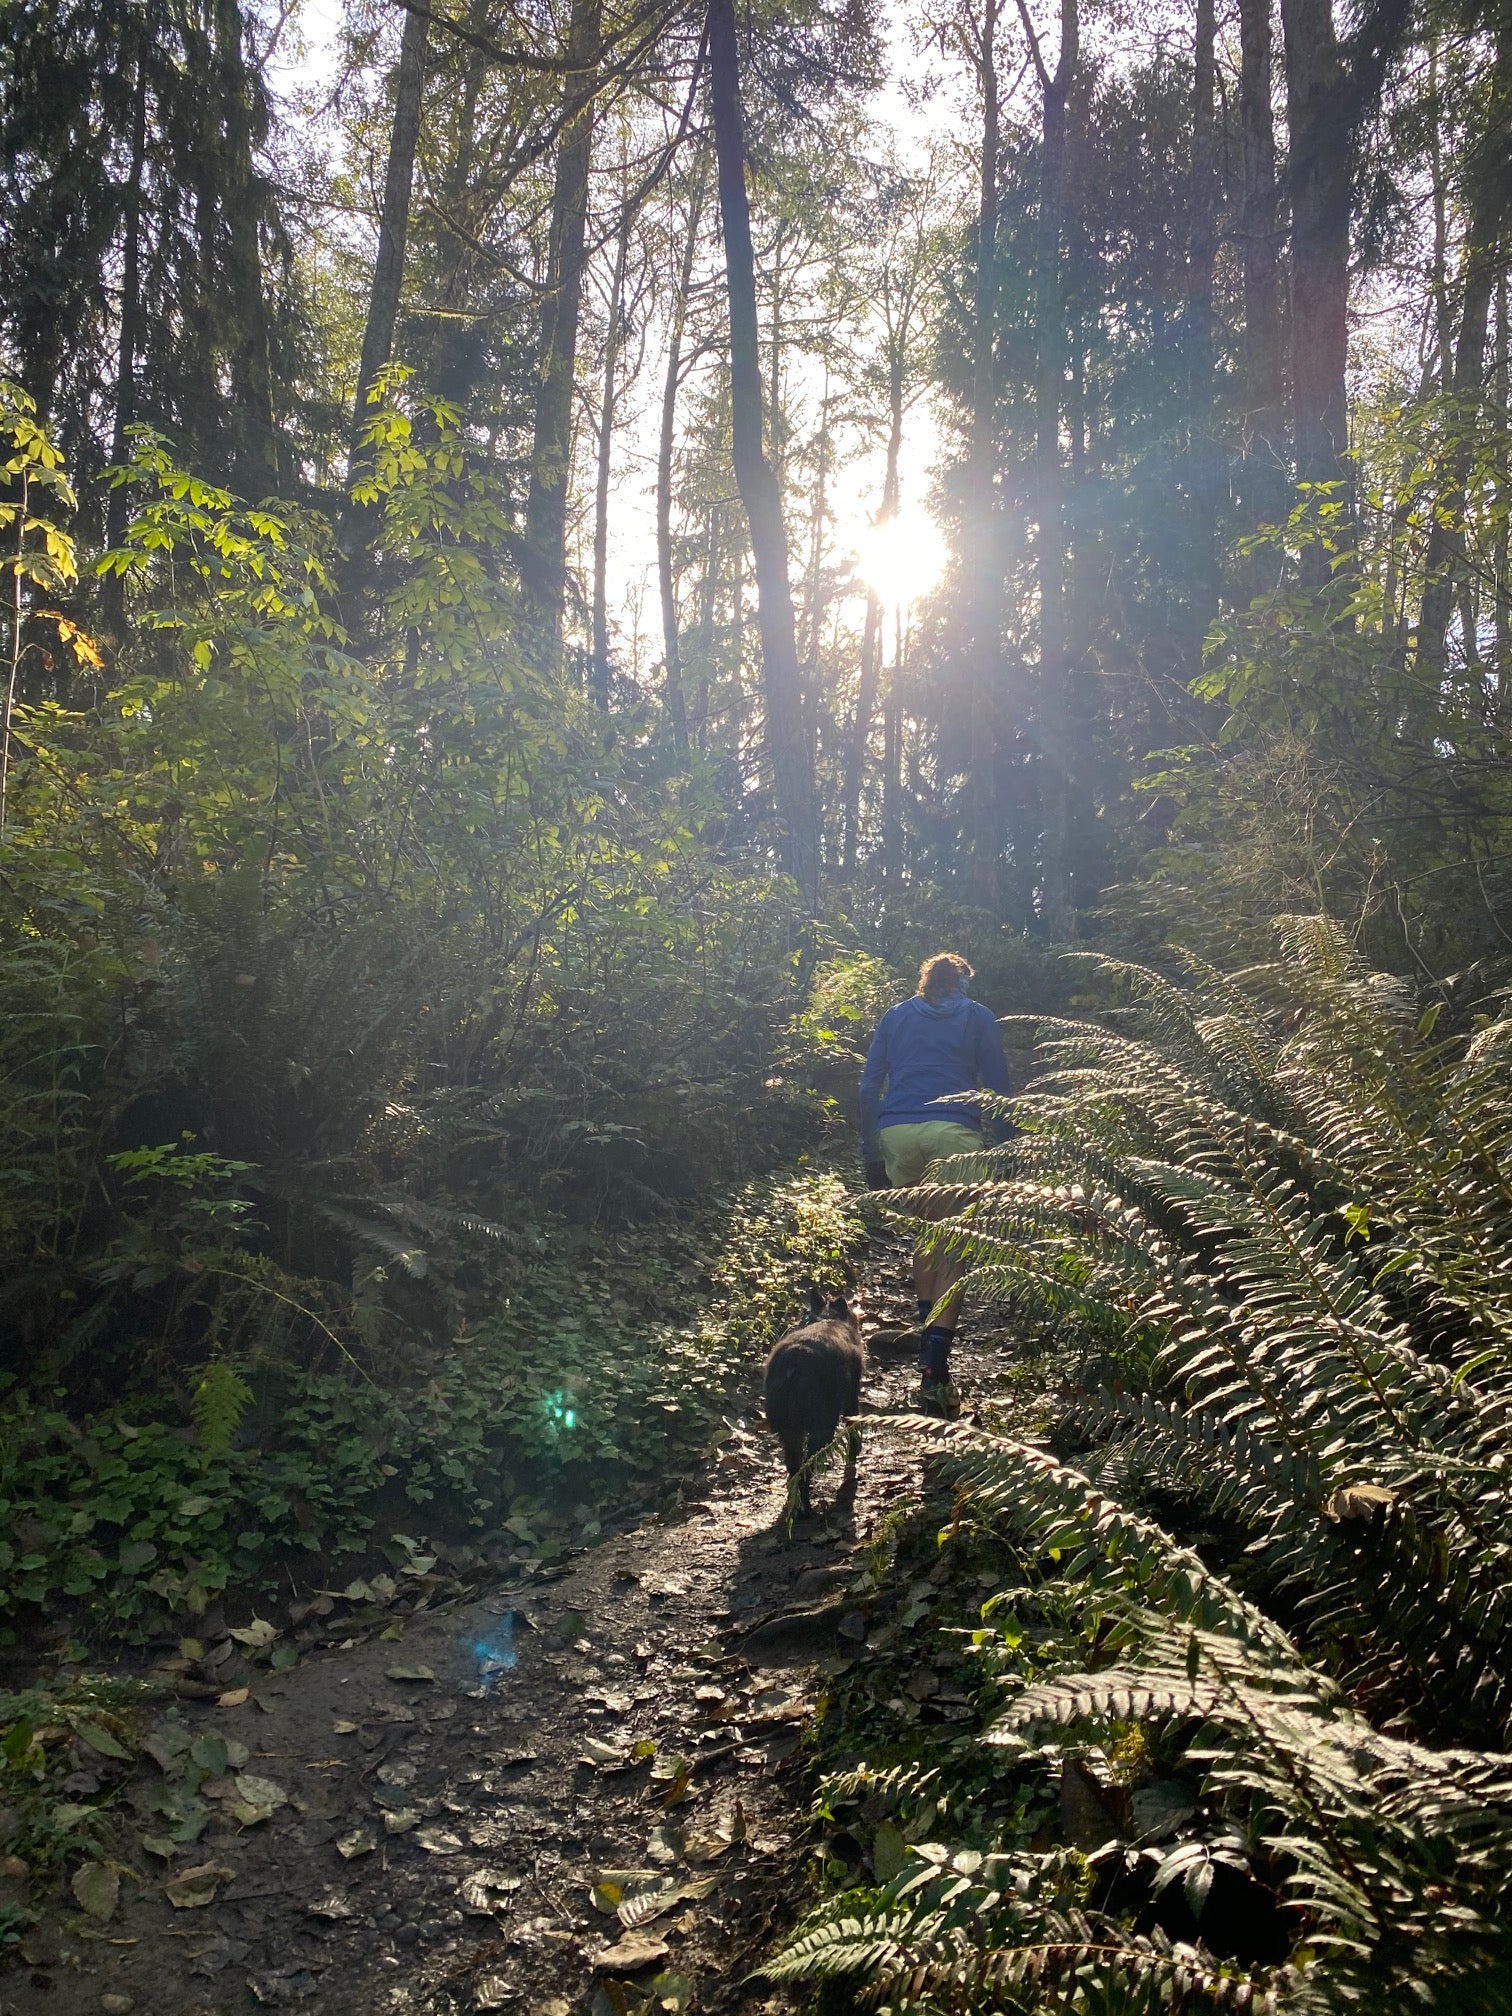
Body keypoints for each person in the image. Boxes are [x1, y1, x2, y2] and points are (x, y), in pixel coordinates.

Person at [858, 952, 1011, 1416]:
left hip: (898, 1134)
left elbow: (868, 1088)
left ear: (924, 981)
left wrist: (870, 1152)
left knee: (929, 1234)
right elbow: (999, 1083)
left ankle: (927, 1338)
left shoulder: (896, 1016)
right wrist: (1005, 1148)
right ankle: (935, 1365)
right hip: (953, 1134)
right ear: (963, 982)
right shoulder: (978, 1016)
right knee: (955, 1246)